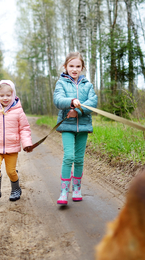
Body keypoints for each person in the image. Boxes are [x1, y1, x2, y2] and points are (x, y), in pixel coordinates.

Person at [53, 51, 98, 205]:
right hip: (67, 126)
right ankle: (64, 191)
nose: (74, 69)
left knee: (79, 159)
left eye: (78, 66)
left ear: (82, 68)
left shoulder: (88, 85)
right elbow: (58, 100)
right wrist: (72, 101)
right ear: (65, 67)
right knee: (69, 157)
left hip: (83, 126)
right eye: (71, 66)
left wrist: (78, 110)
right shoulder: (61, 83)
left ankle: (77, 189)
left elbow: (93, 102)